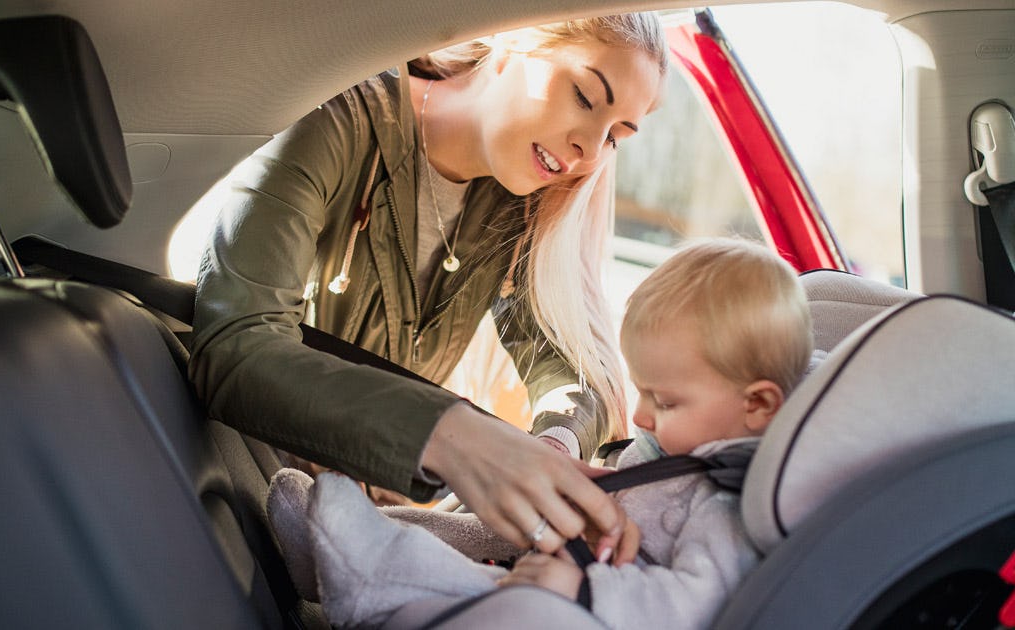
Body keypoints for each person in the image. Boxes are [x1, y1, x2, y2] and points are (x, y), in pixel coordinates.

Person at [188, 14, 668, 550]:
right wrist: (451, 438)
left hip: (357, 522)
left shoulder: (521, 201)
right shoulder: (337, 121)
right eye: (584, 96)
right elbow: (235, 348)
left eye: (618, 136)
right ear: (512, 38)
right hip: (246, 490)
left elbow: (570, 364)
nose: (590, 150)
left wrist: (553, 447)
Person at [266, 238, 815, 629]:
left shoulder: (730, 504)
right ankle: (339, 538)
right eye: (642, 391)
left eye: (665, 401)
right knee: (479, 529)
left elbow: (694, 607)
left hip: (590, 601)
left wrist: (581, 589)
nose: (641, 416)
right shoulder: (686, 446)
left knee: (479, 588)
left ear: (758, 405)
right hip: (573, 553)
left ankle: (356, 564)